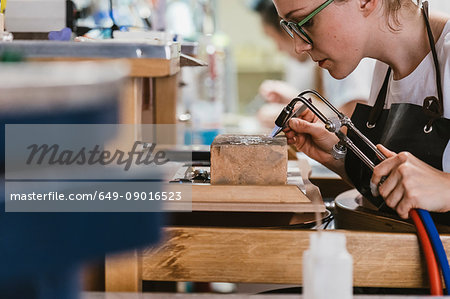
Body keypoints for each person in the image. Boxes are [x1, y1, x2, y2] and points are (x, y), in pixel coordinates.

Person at [273, 0, 450, 219]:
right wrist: (338, 157)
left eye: (306, 23)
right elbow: (395, 197)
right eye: (290, 27)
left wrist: (446, 188)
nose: (299, 46)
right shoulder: (385, 69)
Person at [250, 0, 375, 128]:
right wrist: (298, 102)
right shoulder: (327, 60)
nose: (278, 48)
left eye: (307, 23)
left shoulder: (343, 56)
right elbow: (339, 117)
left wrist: (292, 118)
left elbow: (352, 123)